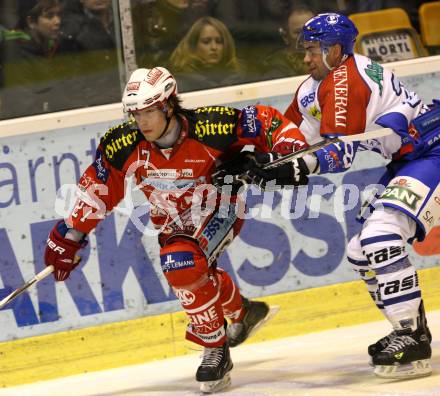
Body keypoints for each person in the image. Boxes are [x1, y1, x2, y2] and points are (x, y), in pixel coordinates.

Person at [43, 66, 303, 392]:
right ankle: (242, 312)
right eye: (136, 114)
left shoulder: (212, 125)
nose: (143, 122)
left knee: (181, 262)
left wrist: (285, 153)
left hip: (219, 207)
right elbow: (98, 187)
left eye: (150, 111)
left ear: (168, 105)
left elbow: (265, 121)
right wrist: (70, 237)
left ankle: (215, 348)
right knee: (192, 270)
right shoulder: (122, 143)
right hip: (170, 220)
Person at [219, 12, 438, 379]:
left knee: (381, 236)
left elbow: (338, 153)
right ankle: (410, 327)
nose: (306, 58)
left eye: (313, 50)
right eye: (304, 49)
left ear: (335, 50)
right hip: (410, 159)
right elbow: (292, 138)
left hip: (432, 150)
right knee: (360, 250)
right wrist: (253, 159)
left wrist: (283, 168)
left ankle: (413, 336)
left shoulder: (347, 79)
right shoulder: (315, 87)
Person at [169, 16, 245, 92]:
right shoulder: (180, 84)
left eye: (219, 41)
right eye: (206, 42)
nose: (214, 47)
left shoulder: (239, 81)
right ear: (193, 46)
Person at [261, 6, 314, 79]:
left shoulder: (328, 61)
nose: (305, 37)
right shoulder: (275, 71)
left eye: (310, 30)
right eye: (298, 32)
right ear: (285, 37)